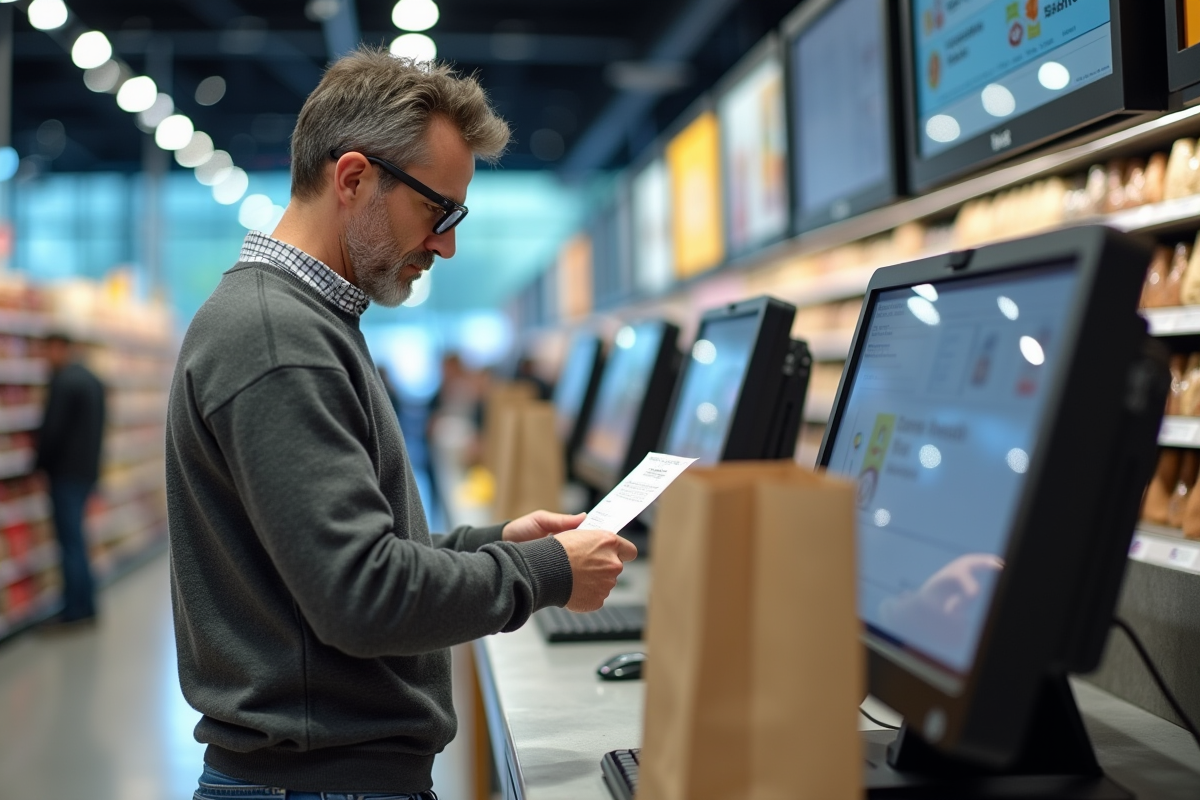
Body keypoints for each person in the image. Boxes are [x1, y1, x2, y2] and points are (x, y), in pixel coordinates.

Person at [166, 47, 636, 799]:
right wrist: (545, 572)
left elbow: (336, 558)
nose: (447, 243)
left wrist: (497, 544)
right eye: (436, 210)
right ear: (353, 179)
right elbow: (360, 595)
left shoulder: (306, 322)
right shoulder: (278, 337)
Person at [35, 332, 106, 626]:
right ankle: (86, 604)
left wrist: (39, 465)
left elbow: (53, 431)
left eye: (47, 350)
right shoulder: (93, 380)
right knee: (78, 538)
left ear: (59, 348)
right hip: (86, 471)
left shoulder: (63, 382)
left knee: (70, 542)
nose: (45, 358)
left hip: (64, 473)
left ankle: (74, 610)